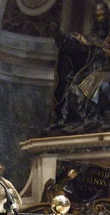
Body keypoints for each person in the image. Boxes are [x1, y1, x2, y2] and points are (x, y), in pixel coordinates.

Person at [46, 1, 110, 136]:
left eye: (103, 16)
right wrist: (58, 34)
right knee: (76, 88)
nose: (100, 20)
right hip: (91, 75)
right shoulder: (89, 40)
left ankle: (101, 119)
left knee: (104, 86)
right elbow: (72, 46)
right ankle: (92, 120)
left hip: (106, 74)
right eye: (97, 16)